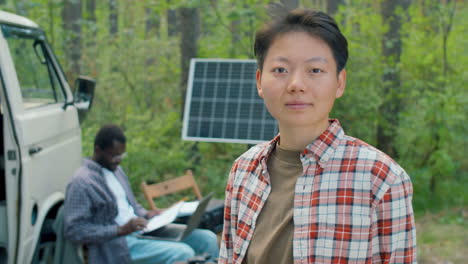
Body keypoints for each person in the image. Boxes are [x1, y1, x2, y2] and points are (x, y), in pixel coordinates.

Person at [219, 8, 416, 264]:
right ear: (259, 81)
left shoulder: (381, 178)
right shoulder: (244, 170)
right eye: (280, 70)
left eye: (315, 70)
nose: (296, 84)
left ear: (340, 82)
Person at [63, 124, 219, 264]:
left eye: (121, 155)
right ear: (98, 150)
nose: (118, 160)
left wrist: (149, 214)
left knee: (207, 239)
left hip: (143, 230)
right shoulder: (82, 182)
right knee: (182, 253)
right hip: (118, 243)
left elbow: (131, 206)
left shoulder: (116, 171)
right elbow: (74, 230)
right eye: (114, 156)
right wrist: (119, 230)